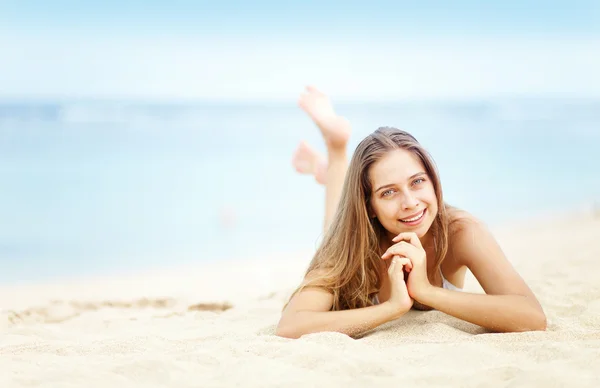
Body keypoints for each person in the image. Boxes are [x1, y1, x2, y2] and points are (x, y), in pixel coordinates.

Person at [276, 86, 546, 339]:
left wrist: (426, 291)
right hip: (351, 227)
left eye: (417, 181)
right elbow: (291, 326)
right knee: (333, 225)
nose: (410, 203)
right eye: (388, 192)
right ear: (369, 206)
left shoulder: (461, 231)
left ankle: (330, 164)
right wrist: (392, 308)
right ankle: (336, 150)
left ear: (433, 180)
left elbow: (531, 316)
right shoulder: (349, 244)